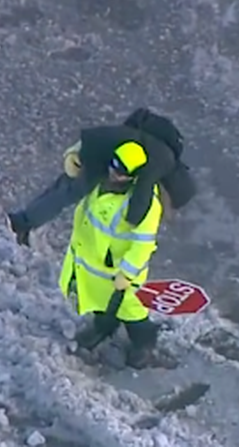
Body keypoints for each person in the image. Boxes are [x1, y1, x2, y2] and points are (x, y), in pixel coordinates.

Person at [7, 108, 195, 246]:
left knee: (62, 188)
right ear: (171, 191)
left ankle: (25, 221)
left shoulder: (162, 155)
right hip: (100, 154)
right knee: (67, 193)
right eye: (169, 205)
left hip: (102, 147)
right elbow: (142, 193)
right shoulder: (161, 163)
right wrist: (133, 224)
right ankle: (21, 223)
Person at [59, 140, 163, 369]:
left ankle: (144, 344)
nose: (114, 173)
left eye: (122, 171)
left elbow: (142, 244)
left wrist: (127, 273)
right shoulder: (101, 178)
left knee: (132, 310)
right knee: (100, 302)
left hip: (120, 271)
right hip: (92, 264)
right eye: (113, 166)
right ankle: (103, 327)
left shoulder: (143, 203)